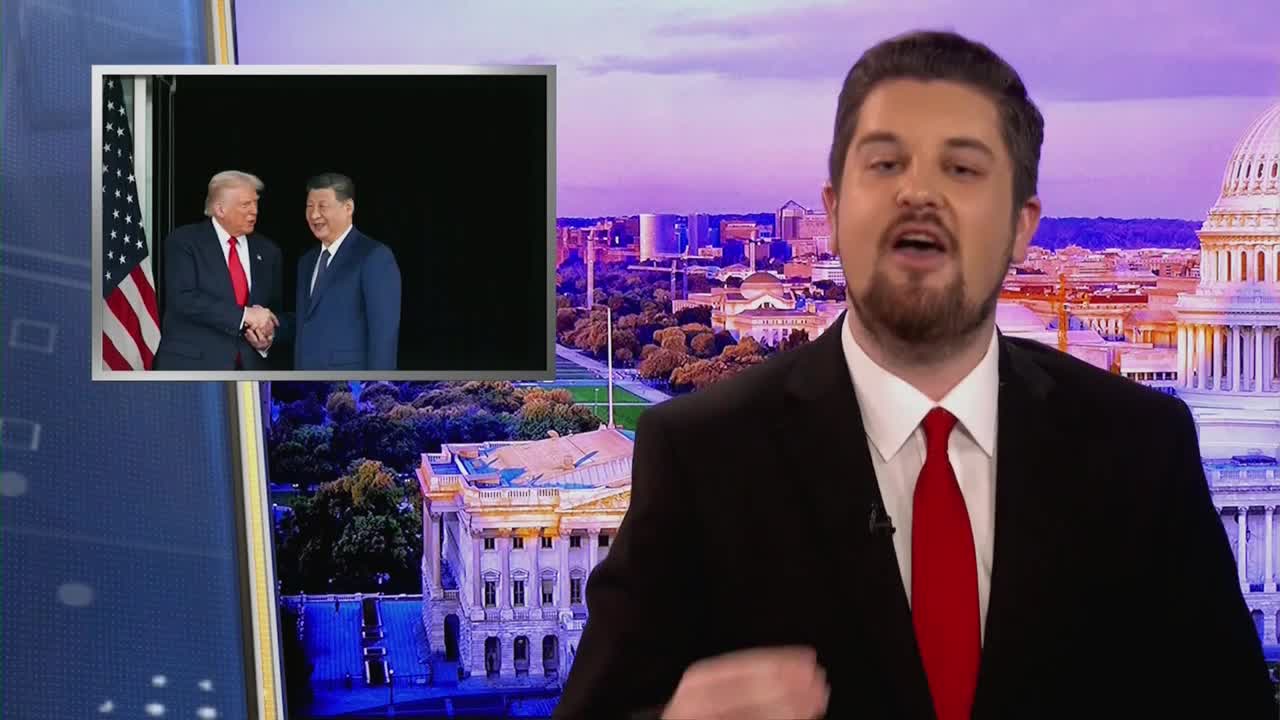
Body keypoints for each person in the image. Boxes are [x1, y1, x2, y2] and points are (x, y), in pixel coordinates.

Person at [553, 31, 1275, 720]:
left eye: (963, 169)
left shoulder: (1142, 447)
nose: (919, 199)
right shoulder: (702, 453)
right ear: (832, 214)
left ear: (1024, 226)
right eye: (885, 165)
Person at [258, 173, 401, 370]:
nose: (314, 214)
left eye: (322, 206)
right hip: (307, 383)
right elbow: (307, 320)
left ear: (348, 208)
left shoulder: (374, 256)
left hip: (349, 384)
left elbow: (384, 335)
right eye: (309, 207)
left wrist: (379, 386)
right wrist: (271, 330)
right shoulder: (307, 261)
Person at [153, 170, 281, 371]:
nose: (254, 211)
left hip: (250, 370)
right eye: (246, 204)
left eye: (256, 203)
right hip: (194, 366)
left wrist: (268, 339)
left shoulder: (268, 251)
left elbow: (275, 311)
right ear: (220, 209)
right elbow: (183, 299)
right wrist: (244, 315)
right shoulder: (184, 241)